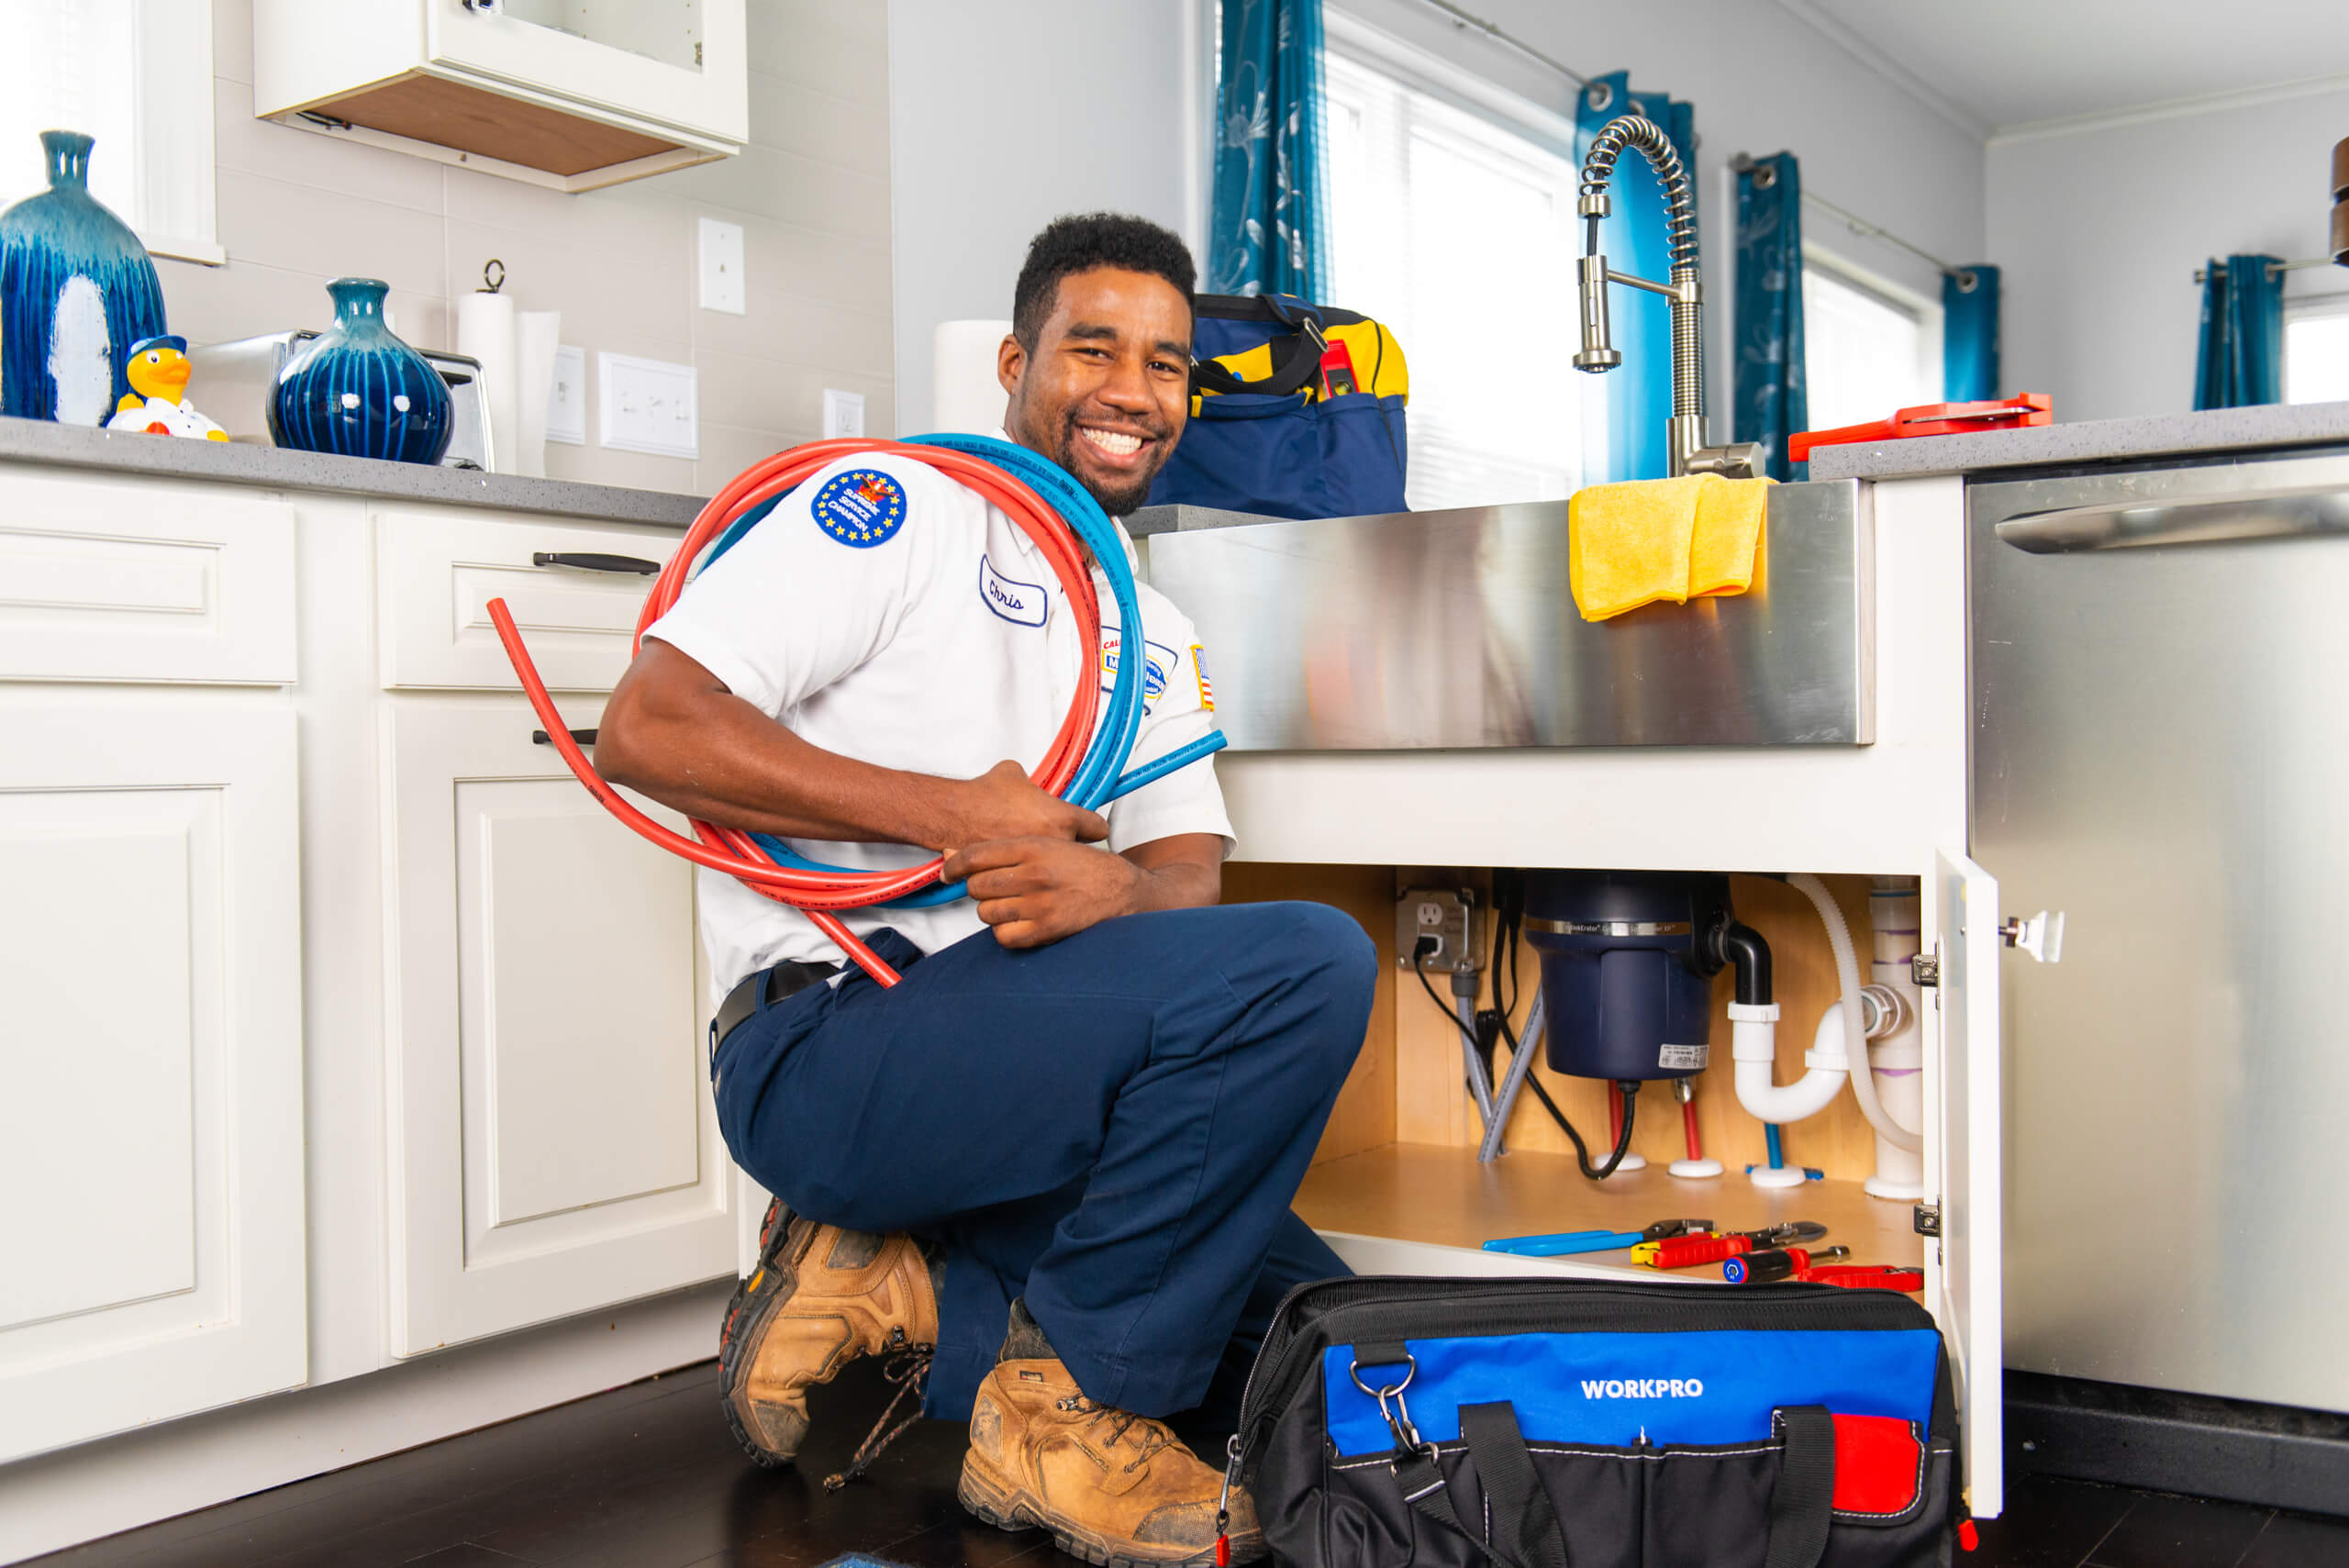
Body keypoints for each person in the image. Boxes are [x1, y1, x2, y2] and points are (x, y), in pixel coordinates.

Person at [596, 212, 1376, 1566]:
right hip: (831, 1042)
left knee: (1317, 1346)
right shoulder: (900, 513)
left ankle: (895, 1280)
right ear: (1013, 361)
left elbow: (1187, 861)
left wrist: (1108, 896)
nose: (1136, 390)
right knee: (1313, 959)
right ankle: (1062, 1418)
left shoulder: (1150, 620)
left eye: (1170, 364)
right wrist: (963, 820)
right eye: (1094, 346)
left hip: (1014, 1065)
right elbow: (650, 725)